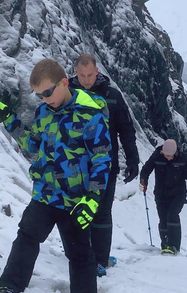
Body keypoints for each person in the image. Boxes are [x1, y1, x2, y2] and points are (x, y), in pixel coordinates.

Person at [0, 58, 111, 293]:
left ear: (64, 83)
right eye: (39, 95)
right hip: (45, 192)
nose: (44, 99)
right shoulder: (44, 111)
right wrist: (9, 120)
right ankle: (9, 287)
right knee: (27, 237)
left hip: (76, 199)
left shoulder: (90, 114)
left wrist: (93, 197)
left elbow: (101, 158)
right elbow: (34, 145)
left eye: (47, 92)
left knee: (80, 254)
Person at [68, 54, 139, 276]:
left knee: (101, 213)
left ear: (97, 72)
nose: (86, 80)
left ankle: (99, 260)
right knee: (76, 210)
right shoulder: (68, 94)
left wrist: (133, 159)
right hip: (74, 166)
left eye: (90, 75)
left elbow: (126, 131)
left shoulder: (113, 96)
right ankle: (78, 255)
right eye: (82, 75)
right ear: (75, 73)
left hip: (106, 164)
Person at [139, 139, 187, 255]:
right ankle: (165, 244)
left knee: (172, 215)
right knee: (163, 218)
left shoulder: (182, 158)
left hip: (178, 194)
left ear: (175, 153)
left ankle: (174, 246)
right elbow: (146, 170)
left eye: (170, 156)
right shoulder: (157, 156)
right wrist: (143, 181)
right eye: (166, 155)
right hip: (161, 194)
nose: (168, 158)